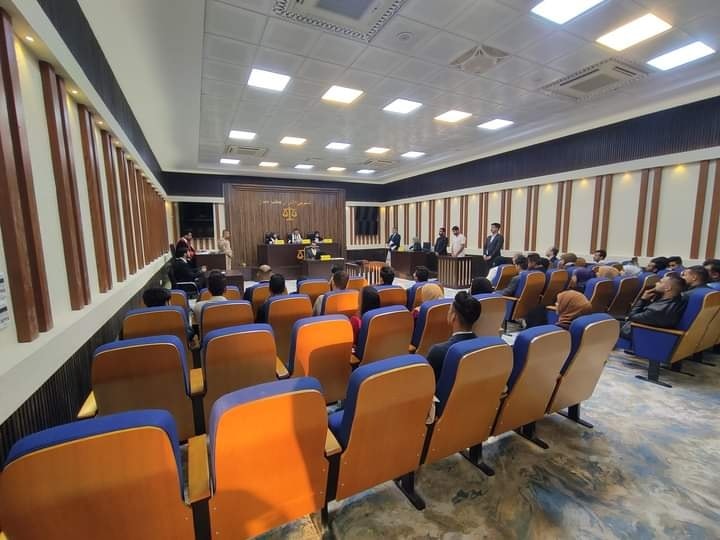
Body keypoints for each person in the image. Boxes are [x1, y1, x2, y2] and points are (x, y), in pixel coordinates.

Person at [426, 292, 481, 385]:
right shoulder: (483, 347)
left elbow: (426, 384)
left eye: (449, 310)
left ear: (453, 316)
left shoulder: (438, 352)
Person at [620, 274, 687, 340]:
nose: (656, 283)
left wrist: (643, 300)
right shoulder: (677, 299)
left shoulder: (657, 310)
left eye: (660, 282)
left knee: (613, 323)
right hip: (643, 327)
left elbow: (632, 316)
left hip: (638, 333)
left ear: (667, 288)